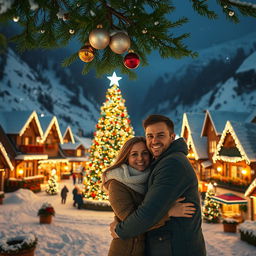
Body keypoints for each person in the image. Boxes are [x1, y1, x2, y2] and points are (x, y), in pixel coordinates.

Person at [110, 115, 206, 256]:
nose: (154, 141)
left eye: (160, 135)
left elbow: (148, 214)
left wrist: (119, 230)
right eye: (150, 136)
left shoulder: (171, 164)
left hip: (175, 247)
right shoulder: (161, 162)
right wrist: (168, 211)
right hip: (167, 245)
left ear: (172, 137)